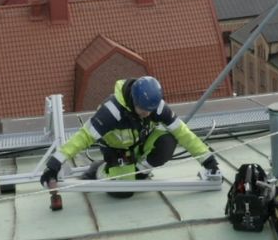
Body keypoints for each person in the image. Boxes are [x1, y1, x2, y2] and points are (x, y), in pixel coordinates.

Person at [40, 76, 219, 198]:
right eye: (143, 110)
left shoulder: (154, 106)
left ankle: (139, 171)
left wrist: (208, 160)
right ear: (133, 101)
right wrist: (54, 164)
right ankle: (100, 170)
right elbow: (83, 137)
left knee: (167, 142)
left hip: (139, 143)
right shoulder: (111, 112)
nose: (147, 114)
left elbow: (182, 132)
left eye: (150, 110)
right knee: (123, 192)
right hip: (116, 151)